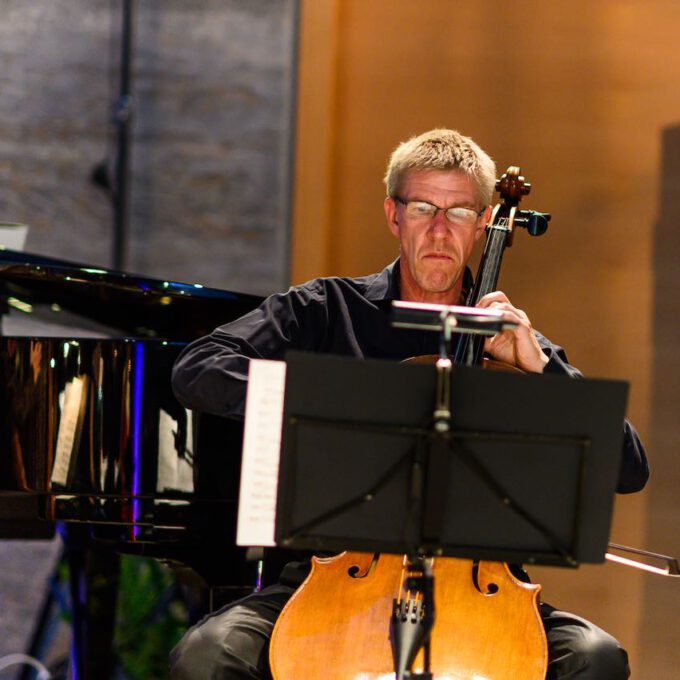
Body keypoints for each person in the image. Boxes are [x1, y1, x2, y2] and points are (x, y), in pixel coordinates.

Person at [169, 128, 648, 679]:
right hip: (322, 582)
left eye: (460, 212)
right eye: (423, 208)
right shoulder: (324, 310)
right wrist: (332, 398)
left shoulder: (513, 343)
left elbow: (629, 468)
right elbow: (197, 367)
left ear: (485, 224)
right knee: (207, 655)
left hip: (483, 592)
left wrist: (542, 367)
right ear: (394, 216)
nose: (440, 230)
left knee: (596, 659)